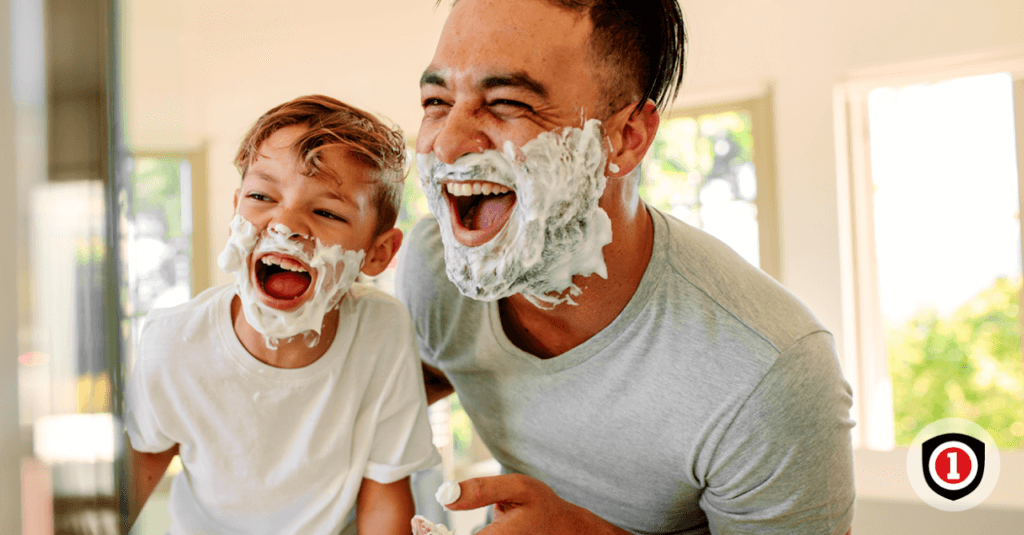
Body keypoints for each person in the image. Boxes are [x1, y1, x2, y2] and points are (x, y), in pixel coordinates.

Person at [395, 0, 856, 534]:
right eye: (436, 100)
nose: (447, 143)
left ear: (628, 136)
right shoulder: (435, 273)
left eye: (506, 103)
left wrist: (580, 532)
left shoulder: (768, 371)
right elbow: (393, 389)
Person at [125, 95, 441, 535]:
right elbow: (131, 483)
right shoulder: (174, 341)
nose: (285, 224)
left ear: (377, 254)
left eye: (327, 211)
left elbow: (384, 495)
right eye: (260, 196)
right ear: (236, 207)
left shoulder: (380, 332)